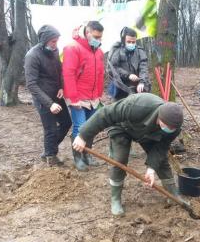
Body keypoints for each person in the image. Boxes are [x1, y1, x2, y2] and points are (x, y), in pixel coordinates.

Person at [72, 93, 184, 216]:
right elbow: (105, 113)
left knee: (161, 162)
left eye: (172, 128)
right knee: (119, 160)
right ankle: (115, 199)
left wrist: (151, 169)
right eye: (167, 126)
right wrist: (83, 136)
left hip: (148, 134)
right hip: (122, 127)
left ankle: (173, 195)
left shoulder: (174, 128)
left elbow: (161, 148)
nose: (169, 129)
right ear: (159, 117)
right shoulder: (138, 105)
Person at [25, 25, 72, 166]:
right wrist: (49, 104)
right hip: (43, 99)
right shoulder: (32, 56)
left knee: (66, 123)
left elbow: (59, 71)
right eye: (53, 41)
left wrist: (61, 87)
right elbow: (31, 84)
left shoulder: (54, 51)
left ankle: (48, 150)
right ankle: (51, 157)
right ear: (45, 40)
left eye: (57, 41)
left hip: (56, 95)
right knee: (50, 128)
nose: (55, 44)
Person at [63, 21, 105, 171]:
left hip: (93, 97)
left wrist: (99, 95)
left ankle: (87, 154)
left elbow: (100, 75)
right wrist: (73, 99)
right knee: (80, 127)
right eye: (95, 36)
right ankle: (78, 157)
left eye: (100, 37)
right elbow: (68, 74)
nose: (98, 40)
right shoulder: (72, 48)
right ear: (87, 33)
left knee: (91, 127)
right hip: (78, 97)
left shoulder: (98, 52)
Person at [107, 27, 151, 101]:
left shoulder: (140, 52)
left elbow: (143, 68)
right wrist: (128, 75)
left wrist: (142, 82)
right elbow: (113, 69)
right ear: (124, 40)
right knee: (119, 110)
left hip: (136, 88)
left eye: (133, 42)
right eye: (129, 41)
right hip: (120, 89)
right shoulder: (116, 51)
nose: (131, 44)